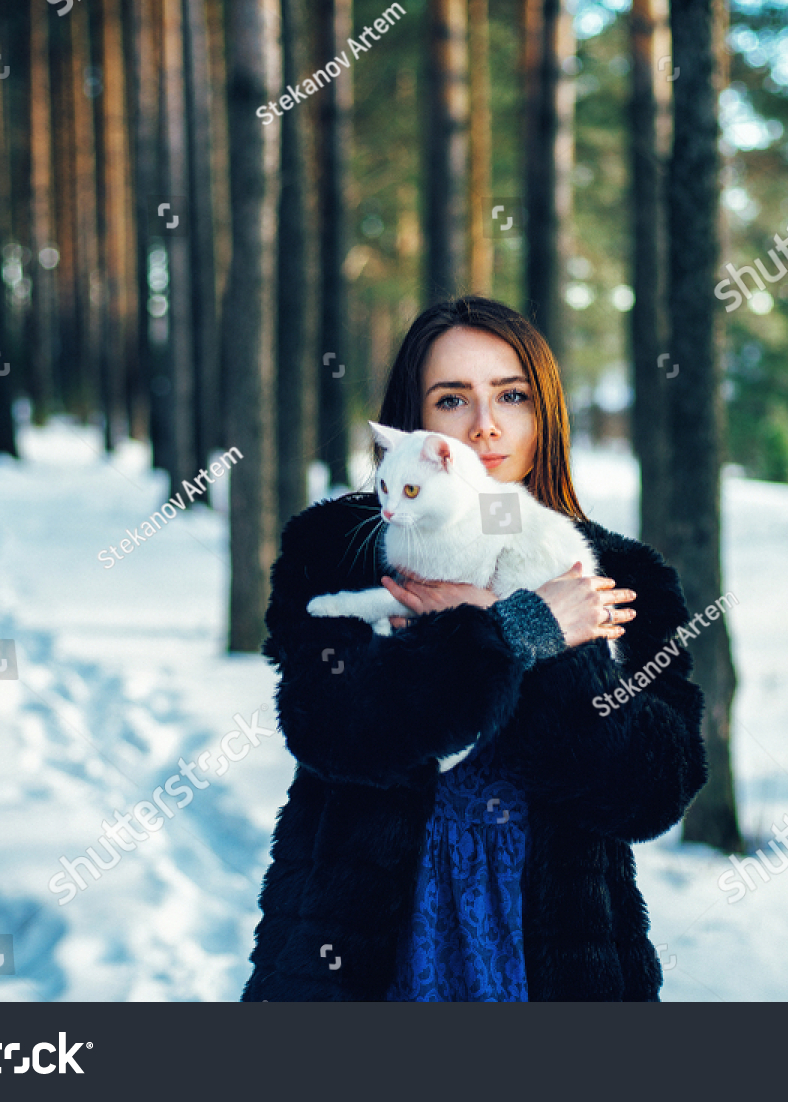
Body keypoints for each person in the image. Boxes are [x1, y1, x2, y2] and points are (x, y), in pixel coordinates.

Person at [240, 296, 706, 1001]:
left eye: (511, 395)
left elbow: (655, 787)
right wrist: (517, 631)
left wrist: (529, 635)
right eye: (452, 398)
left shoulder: (620, 573)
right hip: (367, 940)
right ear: (416, 422)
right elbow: (327, 726)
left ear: (544, 411)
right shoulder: (345, 548)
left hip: (554, 948)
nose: (485, 425)